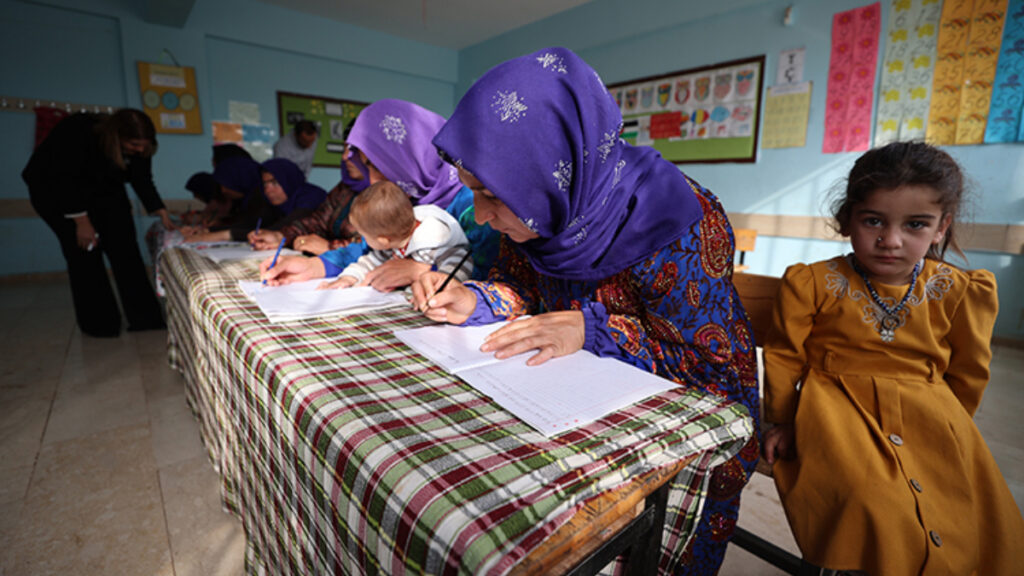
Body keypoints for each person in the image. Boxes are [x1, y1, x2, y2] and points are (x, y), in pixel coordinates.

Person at [409, 47, 759, 574]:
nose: (481, 216)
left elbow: (712, 371)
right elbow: (519, 289)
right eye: (472, 192)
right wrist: (476, 298)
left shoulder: (675, 215)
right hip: (569, 409)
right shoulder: (543, 203)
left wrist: (592, 329)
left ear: (549, 169)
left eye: (491, 194)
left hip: (682, 440)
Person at [761, 142, 1024, 575]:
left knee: (969, 500)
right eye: (873, 221)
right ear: (848, 220)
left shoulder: (960, 290)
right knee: (871, 496)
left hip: (932, 411)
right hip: (838, 408)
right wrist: (784, 420)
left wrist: (953, 432)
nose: (891, 240)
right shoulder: (814, 283)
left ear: (942, 228)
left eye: (916, 224)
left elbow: (968, 371)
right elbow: (785, 357)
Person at [261, 99, 498, 290]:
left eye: (375, 165)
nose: (371, 179)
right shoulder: (408, 198)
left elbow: (494, 272)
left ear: (407, 159)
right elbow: (369, 249)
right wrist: (314, 266)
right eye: (367, 167)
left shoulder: (475, 201)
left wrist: (423, 271)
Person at [22, 108, 174, 337]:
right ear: (117, 137)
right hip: (55, 192)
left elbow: (142, 178)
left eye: (144, 145)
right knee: (85, 253)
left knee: (126, 250)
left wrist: (161, 212)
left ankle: (146, 319)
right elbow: (65, 179)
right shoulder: (80, 132)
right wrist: (81, 222)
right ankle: (100, 325)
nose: (140, 150)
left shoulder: (141, 148)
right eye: (134, 144)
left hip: (103, 189)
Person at [319, 181, 470, 289]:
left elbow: (461, 263)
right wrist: (349, 277)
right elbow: (372, 261)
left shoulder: (434, 238)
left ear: (383, 240)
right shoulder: (395, 240)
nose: (364, 239)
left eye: (363, 234)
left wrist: (436, 288)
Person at [188, 158, 326, 243]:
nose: (268, 190)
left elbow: (279, 230)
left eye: (274, 183)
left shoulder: (310, 198)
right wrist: (210, 230)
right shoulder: (278, 203)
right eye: (265, 184)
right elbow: (252, 223)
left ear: (288, 180)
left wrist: (222, 235)